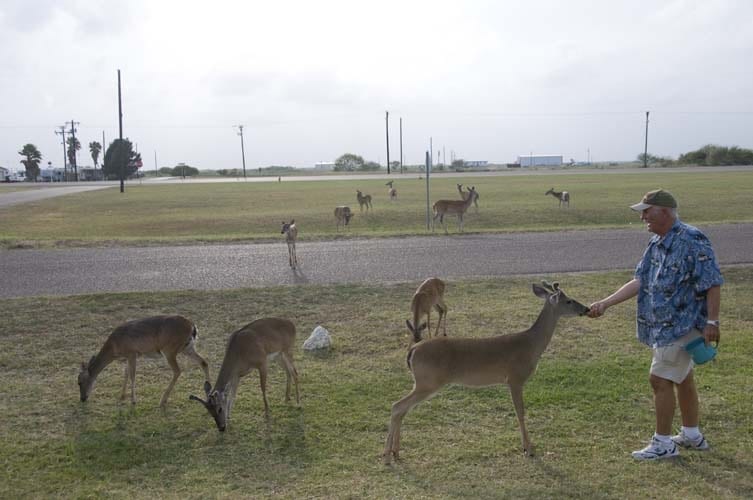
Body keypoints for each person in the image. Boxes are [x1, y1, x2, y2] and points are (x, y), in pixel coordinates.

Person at [588, 188, 723, 460]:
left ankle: (663, 444)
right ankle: (691, 434)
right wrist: (605, 303)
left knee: (659, 379)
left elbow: (713, 282)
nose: (643, 218)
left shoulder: (692, 240)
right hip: (663, 327)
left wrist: (712, 321)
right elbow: (640, 280)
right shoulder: (656, 243)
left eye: (646, 212)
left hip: (683, 326)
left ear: (665, 211)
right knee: (683, 378)